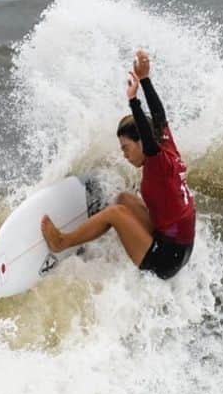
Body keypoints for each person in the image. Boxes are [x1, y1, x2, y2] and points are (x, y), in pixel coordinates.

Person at [40, 50, 195, 280]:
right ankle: (91, 233)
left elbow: (147, 132)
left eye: (126, 148)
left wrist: (133, 100)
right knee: (123, 199)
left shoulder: (157, 162)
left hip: (166, 259)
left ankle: (62, 242)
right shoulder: (167, 146)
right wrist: (145, 80)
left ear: (142, 142)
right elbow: (158, 115)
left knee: (116, 213)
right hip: (177, 243)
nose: (124, 155)